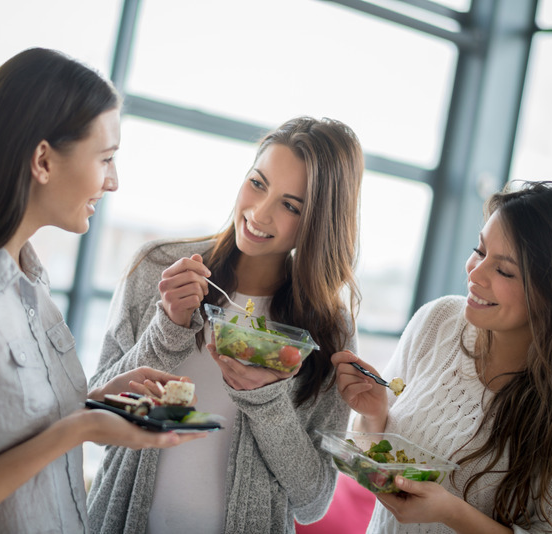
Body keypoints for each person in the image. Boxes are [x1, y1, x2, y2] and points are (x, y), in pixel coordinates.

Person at [0, 47, 204, 533]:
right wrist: (78, 429)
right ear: (43, 160)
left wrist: (95, 404)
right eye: (106, 158)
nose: (113, 182)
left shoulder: (29, 281)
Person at [86, 116, 365, 534]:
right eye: (257, 183)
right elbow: (95, 421)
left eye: (291, 206)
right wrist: (166, 330)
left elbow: (313, 503)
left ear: (319, 222)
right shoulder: (158, 268)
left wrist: (267, 402)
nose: (259, 213)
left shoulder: (328, 329)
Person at [332, 180, 552, 533]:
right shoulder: (437, 322)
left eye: (504, 270)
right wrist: (373, 415)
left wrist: (452, 513)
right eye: (480, 251)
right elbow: (372, 453)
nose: (475, 272)